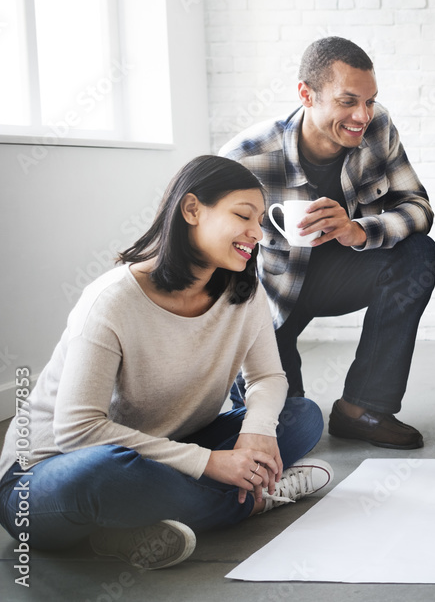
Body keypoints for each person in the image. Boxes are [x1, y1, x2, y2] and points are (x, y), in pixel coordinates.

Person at [0, 156, 331, 570]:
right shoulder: (111, 301)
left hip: (165, 449)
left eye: (261, 219)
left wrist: (257, 432)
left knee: (301, 417)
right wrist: (209, 462)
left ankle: (129, 523)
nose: (257, 232)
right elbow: (77, 431)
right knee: (108, 472)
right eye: (243, 216)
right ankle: (246, 505)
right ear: (191, 210)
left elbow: (266, 375)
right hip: (48, 477)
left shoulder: (243, 291)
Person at [222, 37, 435, 450]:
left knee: (419, 254)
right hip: (272, 299)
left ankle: (362, 409)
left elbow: (418, 207)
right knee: (288, 431)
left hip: (344, 275)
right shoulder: (245, 158)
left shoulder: (377, 128)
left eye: (371, 100)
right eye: (348, 101)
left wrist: (361, 230)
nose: (363, 115)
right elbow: (217, 265)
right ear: (306, 94)